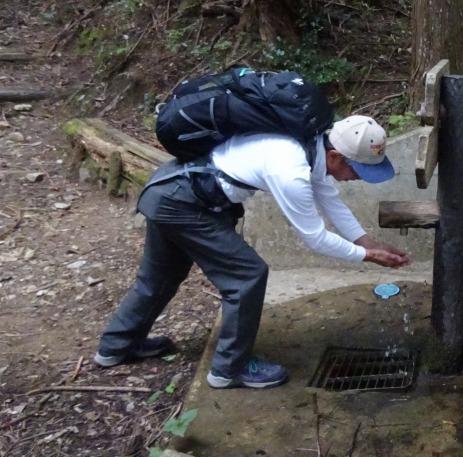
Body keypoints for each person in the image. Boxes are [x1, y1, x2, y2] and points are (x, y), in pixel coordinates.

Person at [93, 115, 410, 389]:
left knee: (161, 275)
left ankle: (116, 346)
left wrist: (365, 241)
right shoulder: (290, 168)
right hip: (183, 202)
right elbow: (315, 238)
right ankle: (229, 370)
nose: (357, 179)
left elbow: (330, 200)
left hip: (169, 189)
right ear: (335, 156)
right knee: (247, 275)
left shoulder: (309, 144)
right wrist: (367, 256)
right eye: (358, 171)